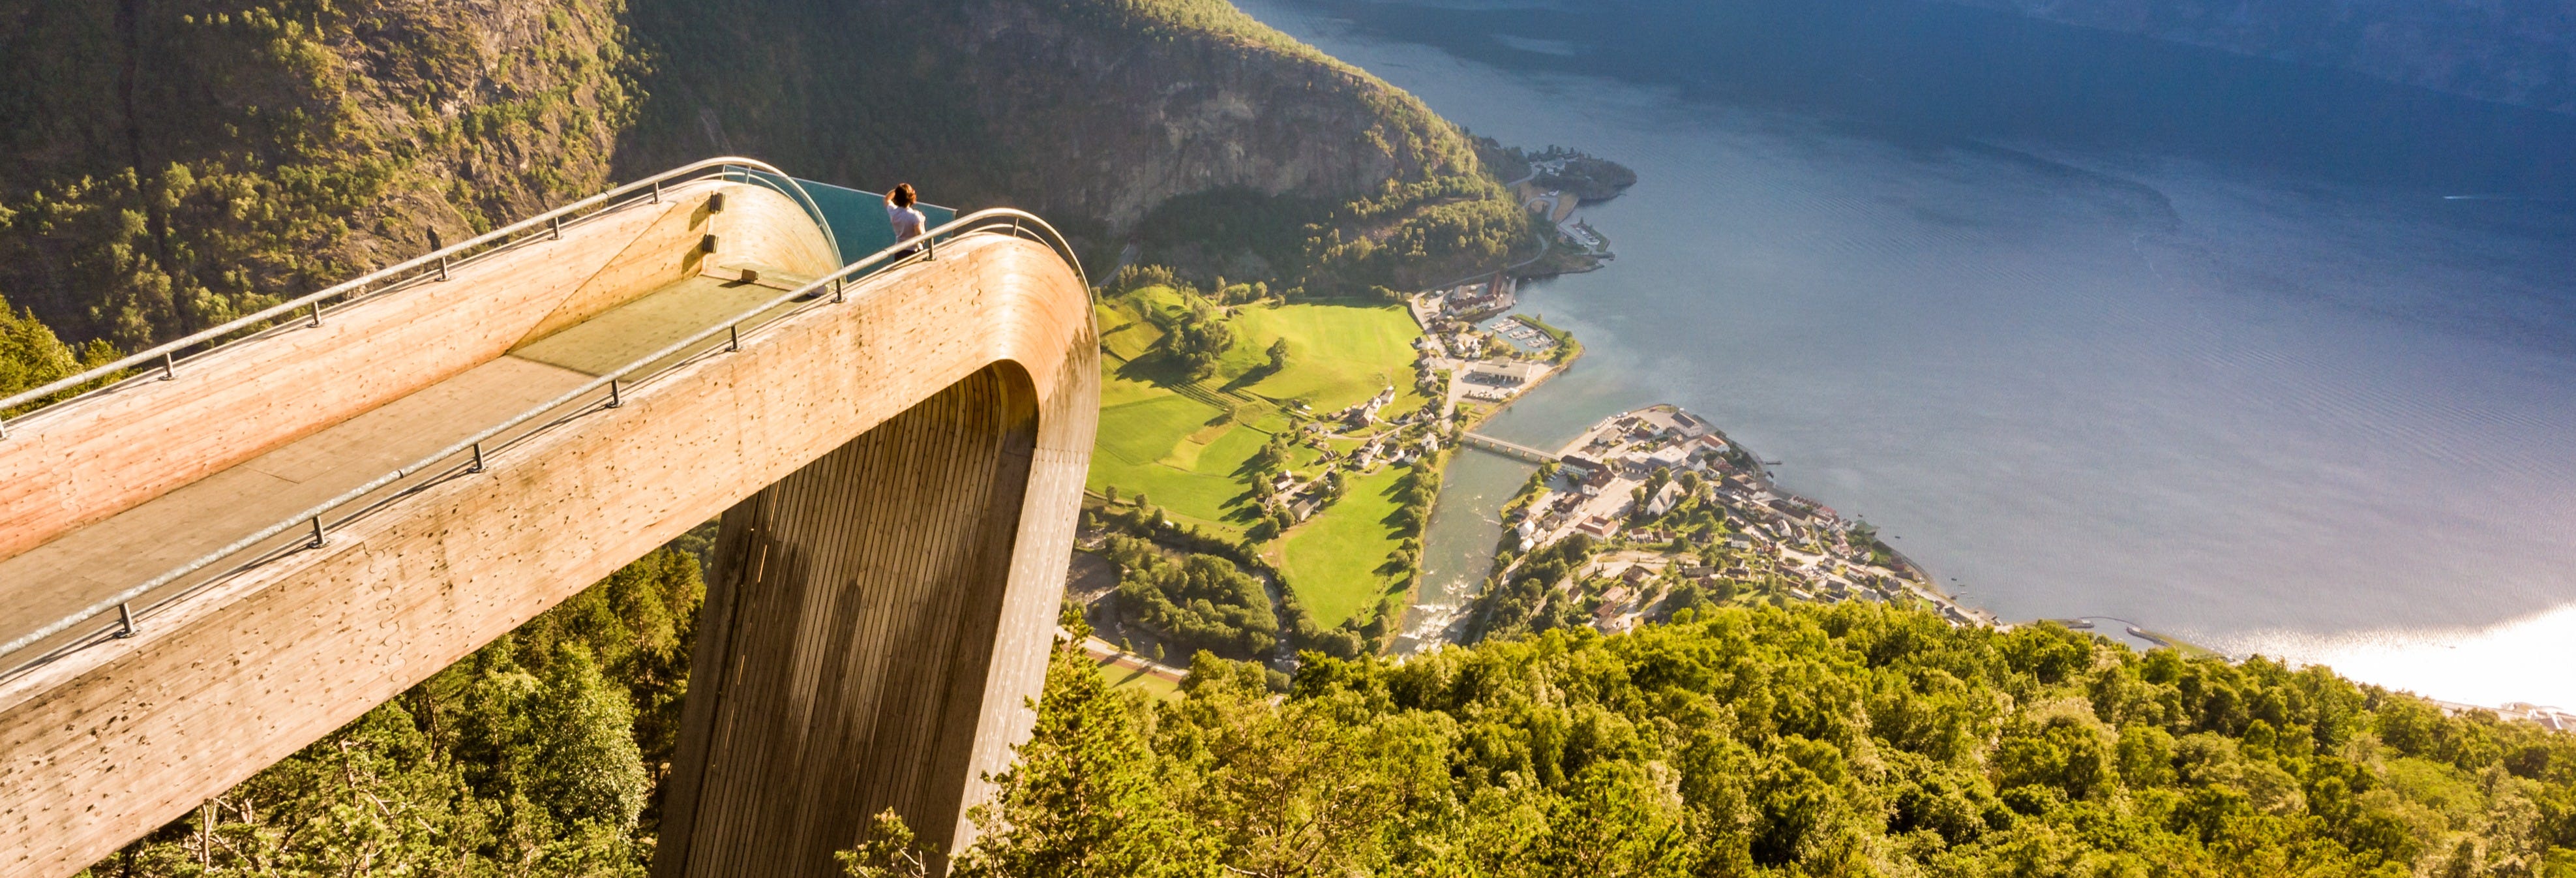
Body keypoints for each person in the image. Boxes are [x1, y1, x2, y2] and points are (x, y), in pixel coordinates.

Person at [886, 183, 926, 255]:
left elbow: (887, 198)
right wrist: (922, 221)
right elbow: (922, 240)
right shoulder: (915, 216)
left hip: (898, 250)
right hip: (913, 252)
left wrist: (899, 190)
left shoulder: (893, 211)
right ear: (911, 197)